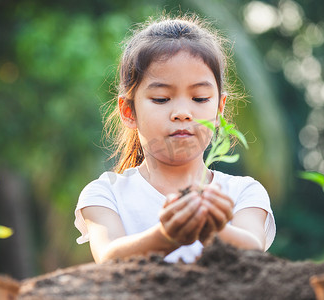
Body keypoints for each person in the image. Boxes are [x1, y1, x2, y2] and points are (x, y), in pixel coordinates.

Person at [74, 15, 275, 264]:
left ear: (219, 110)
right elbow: (108, 258)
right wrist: (166, 236)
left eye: (200, 98)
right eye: (161, 99)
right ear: (129, 111)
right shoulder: (106, 194)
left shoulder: (243, 192)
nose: (182, 113)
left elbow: (253, 254)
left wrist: (213, 230)